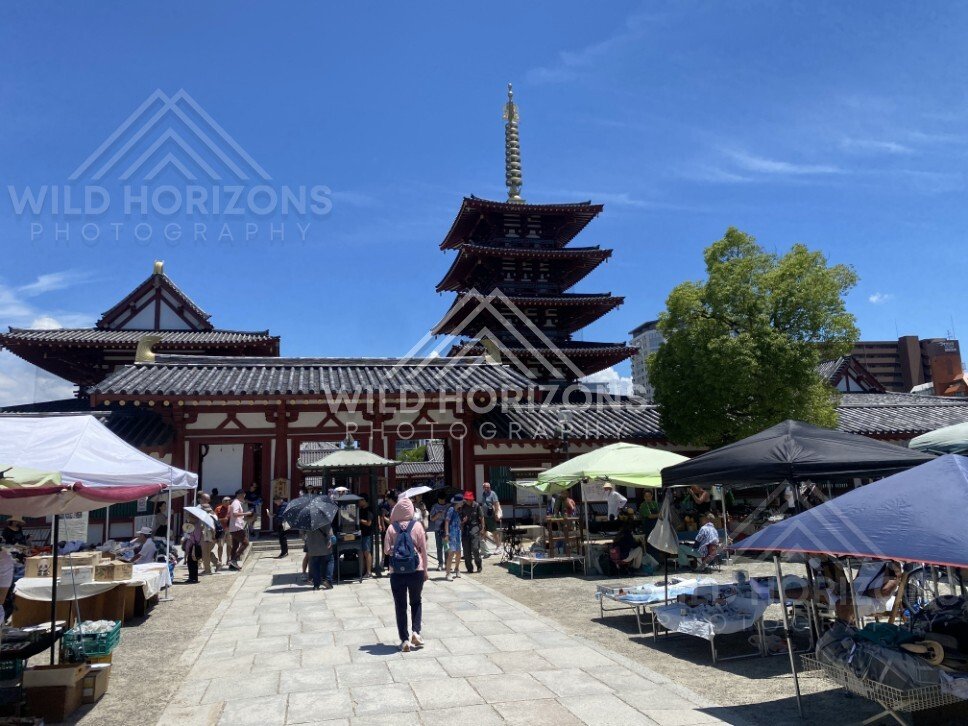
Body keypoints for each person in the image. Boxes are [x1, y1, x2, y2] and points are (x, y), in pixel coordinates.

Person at [383, 496, 428, 652]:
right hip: (416, 570)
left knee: (400, 606)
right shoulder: (418, 527)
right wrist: (426, 570)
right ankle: (416, 631)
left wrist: (397, 550)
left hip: (397, 572)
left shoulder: (391, 528)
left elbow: (386, 551)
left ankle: (404, 640)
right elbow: (424, 551)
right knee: (416, 602)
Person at [304, 520, 335, 591]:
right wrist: (331, 540)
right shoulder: (324, 520)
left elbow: (303, 535)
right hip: (325, 546)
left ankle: (316, 585)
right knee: (330, 561)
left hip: (312, 548)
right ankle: (328, 580)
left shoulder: (305, 521)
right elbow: (330, 533)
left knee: (315, 565)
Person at [460, 491, 484, 574]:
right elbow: (459, 520)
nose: (467, 501)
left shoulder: (476, 505)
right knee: (466, 551)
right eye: (466, 499)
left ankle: (479, 565)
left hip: (475, 527)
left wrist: (483, 528)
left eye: (468, 499)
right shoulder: (462, 507)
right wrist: (463, 521)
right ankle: (469, 568)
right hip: (465, 529)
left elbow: (481, 517)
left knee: (475, 548)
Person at [228, 489, 251, 570]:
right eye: (244, 495)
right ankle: (233, 560)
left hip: (234, 527)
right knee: (245, 543)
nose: (244, 497)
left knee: (235, 546)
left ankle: (232, 565)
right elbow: (235, 514)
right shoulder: (236, 502)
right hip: (236, 527)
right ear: (241, 494)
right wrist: (246, 513)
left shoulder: (235, 502)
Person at [198, 492, 220, 574]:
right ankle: (216, 563)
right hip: (211, 536)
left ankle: (207, 570)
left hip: (208, 536)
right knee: (206, 552)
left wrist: (214, 537)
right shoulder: (213, 513)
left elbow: (211, 528)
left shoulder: (207, 515)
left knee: (205, 553)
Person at [443, 494, 463, 580]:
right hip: (451, 534)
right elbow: (447, 521)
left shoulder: (458, 510)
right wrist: (447, 534)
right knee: (451, 553)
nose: (463, 503)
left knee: (458, 553)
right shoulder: (451, 509)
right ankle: (448, 573)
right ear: (458, 502)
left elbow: (457, 523)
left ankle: (457, 568)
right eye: (462, 501)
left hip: (457, 533)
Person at [481, 482, 503, 554]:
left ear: (490, 487)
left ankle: (498, 547)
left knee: (494, 532)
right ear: (483, 488)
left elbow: (496, 504)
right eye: (485, 487)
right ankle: (484, 549)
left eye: (488, 487)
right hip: (484, 516)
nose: (487, 488)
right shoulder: (483, 494)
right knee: (483, 532)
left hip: (491, 516)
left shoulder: (493, 494)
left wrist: (496, 514)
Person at [428, 493, 448, 570]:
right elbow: (431, 519)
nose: (442, 501)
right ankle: (440, 563)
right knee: (439, 547)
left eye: (443, 499)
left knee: (446, 547)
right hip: (438, 529)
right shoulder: (435, 507)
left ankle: (447, 563)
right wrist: (437, 514)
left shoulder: (448, 506)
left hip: (446, 529)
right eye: (440, 499)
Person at [181, 519, 203, 584]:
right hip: (191, 547)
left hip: (193, 547)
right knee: (191, 563)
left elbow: (196, 538)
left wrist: (189, 537)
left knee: (192, 562)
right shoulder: (193, 527)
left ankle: (193, 578)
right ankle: (192, 577)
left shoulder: (196, 527)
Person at [214, 496, 232, 565]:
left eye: (229, 500)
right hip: (221, 530)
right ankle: (220, 560)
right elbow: (215, 519)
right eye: (226, 500)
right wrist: (222, 519)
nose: (227, 502)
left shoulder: (231, 508)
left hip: (230, 529)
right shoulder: (218, 509)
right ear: (222, 502)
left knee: (229, 545)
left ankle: (228, 559)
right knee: (220, 545)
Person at [358, 497, 373, 577]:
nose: (359, 503)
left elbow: (368, 523)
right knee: (362, 552)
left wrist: (359, 520)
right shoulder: (360, 509)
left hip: (367, 534)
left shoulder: (369, 510)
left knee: (367, 552)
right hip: (361, 533)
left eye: (360, 501)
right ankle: (363, 570)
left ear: (364, 500)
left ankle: (369, 571)